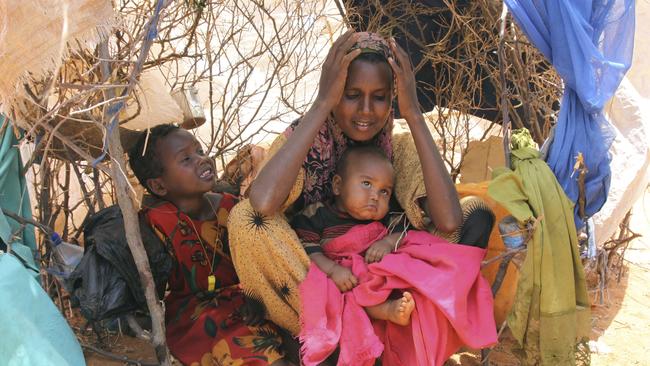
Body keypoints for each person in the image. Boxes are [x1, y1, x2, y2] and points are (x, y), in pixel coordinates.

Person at [227, 31, 495, 338]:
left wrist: (414, 115)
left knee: (476, 213)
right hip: (319, 283)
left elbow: (448, 221)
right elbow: (261, 203)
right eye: (351, 95)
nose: (366, 110)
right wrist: (322, 103)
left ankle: (402, 328)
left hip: (384, 284)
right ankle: (332, 328)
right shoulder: (302, 140)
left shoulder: (399, 150)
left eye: (379, 97)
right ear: (334, 91)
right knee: (245, 220)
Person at [291, 145, 496, 365]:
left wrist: (388, 242)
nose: (375, 197)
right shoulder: (317, 214)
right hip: (344, 278)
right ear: (338, 185)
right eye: (367, 184)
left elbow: (406, 234)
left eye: (384, 191)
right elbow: (306, 247)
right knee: (345, 295)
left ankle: (422, 308)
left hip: (379, 275)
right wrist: (332, 270)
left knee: (406, 265)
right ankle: (385, 311)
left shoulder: (387, 216)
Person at [128, 124, 294, 366]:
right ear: (159, 186)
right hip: (196, 312)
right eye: (186, 159)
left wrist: (255, 295)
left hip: (250, 299)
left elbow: (260, 264)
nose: (203, 159)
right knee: (251, 349)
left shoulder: (233, 208)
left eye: (200, 150)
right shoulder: (156, 223)